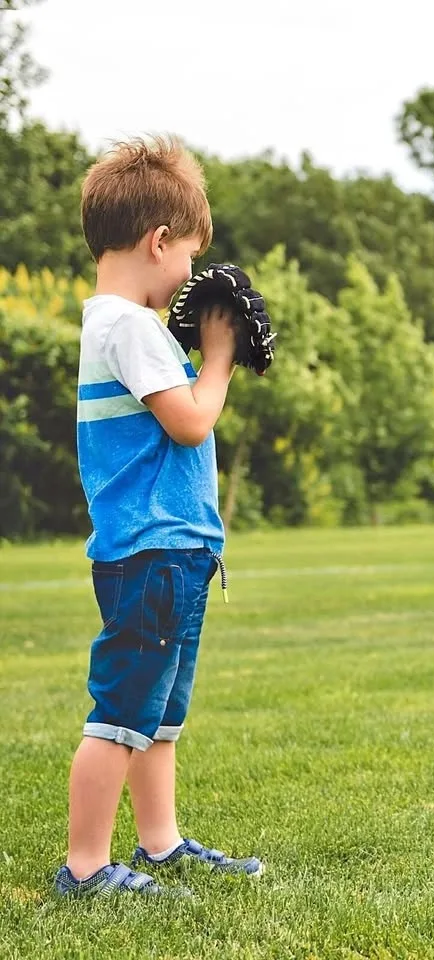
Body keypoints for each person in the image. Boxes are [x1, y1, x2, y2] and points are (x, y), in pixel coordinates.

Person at [55, 135, 262, 897]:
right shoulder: (128, 326)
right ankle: (85, 866)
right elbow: (191, 423)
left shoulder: (119, 325)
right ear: (159, 239)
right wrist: (217, 355)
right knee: (121, 714)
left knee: (158, 717)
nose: (187, 280)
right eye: (187, 260)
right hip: (153, 552)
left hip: (169, 551)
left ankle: (160, 842)